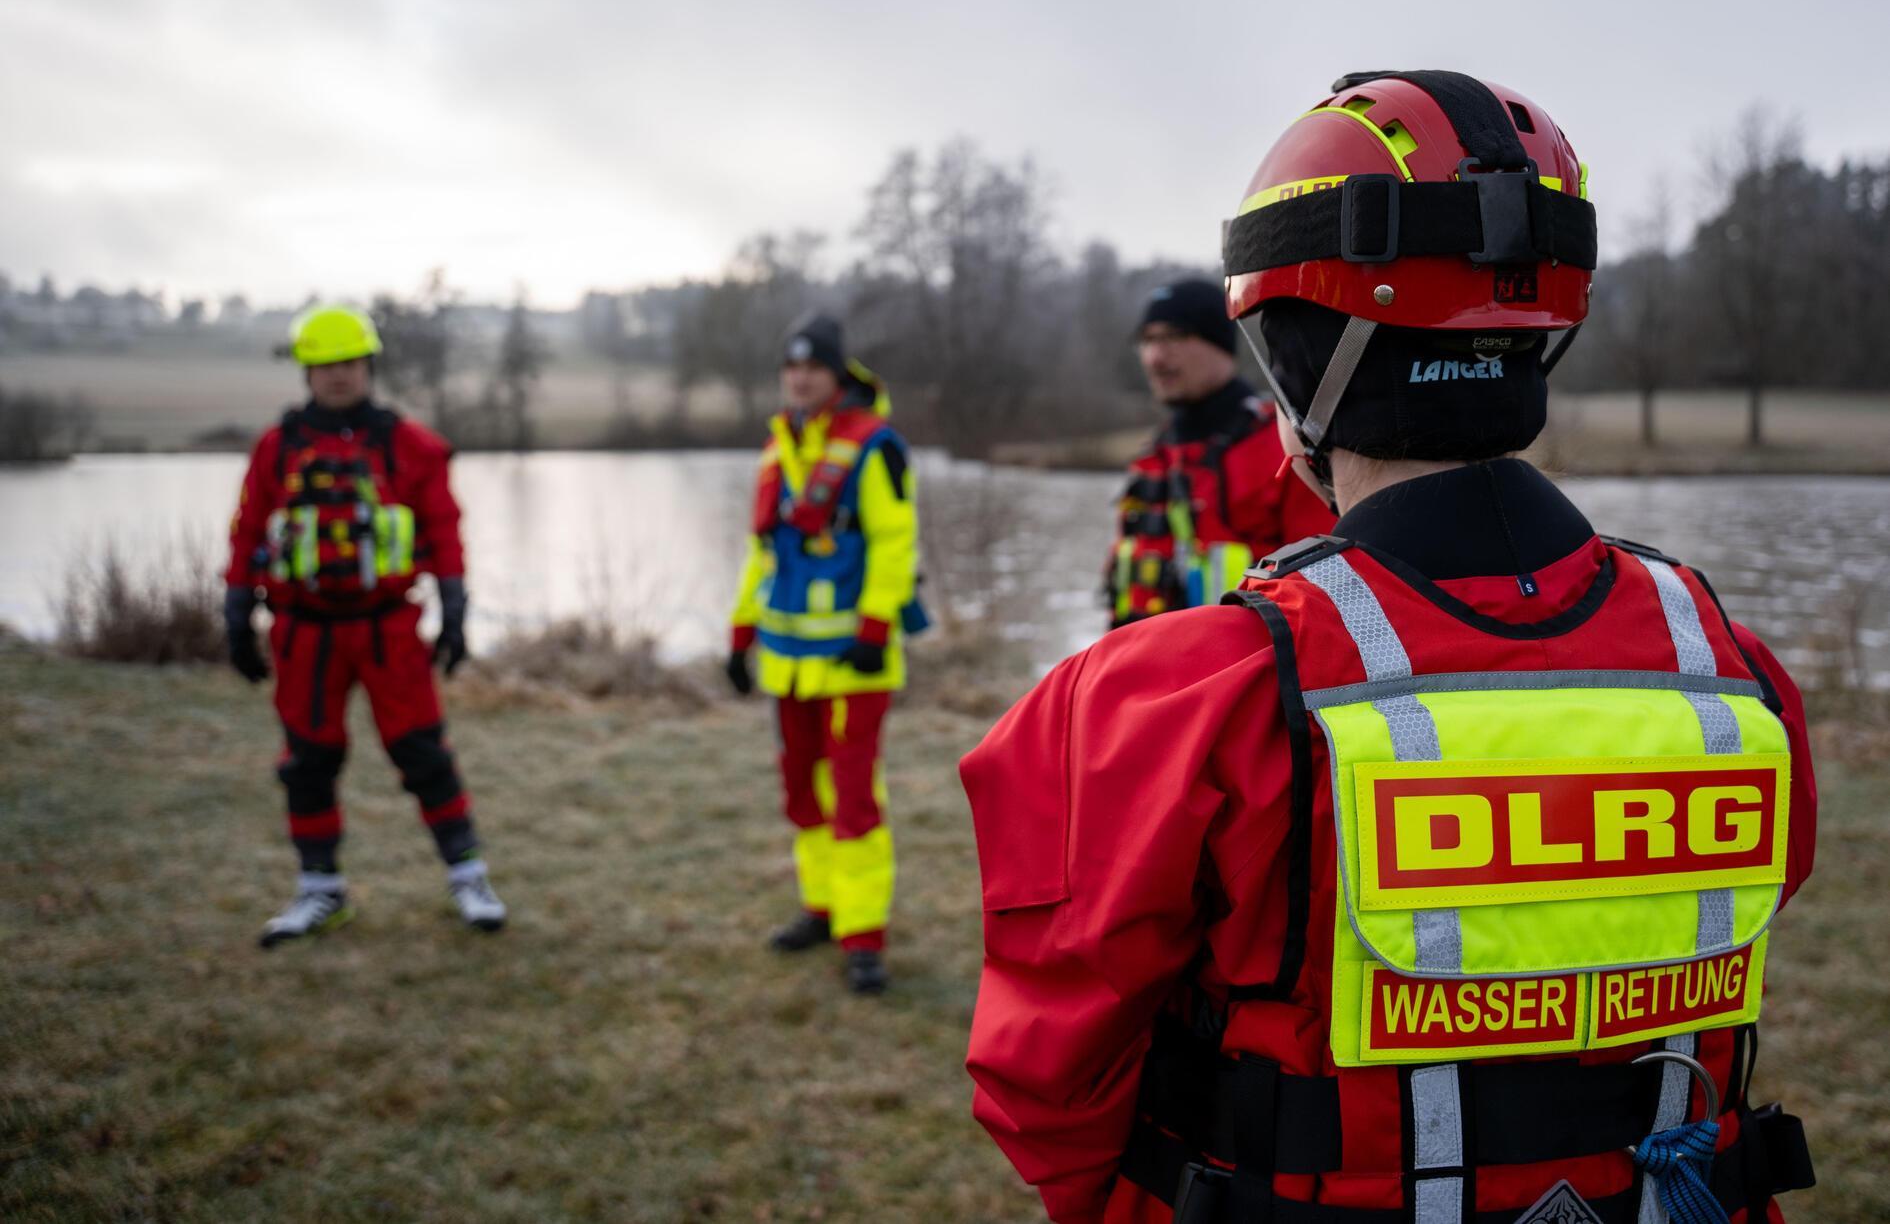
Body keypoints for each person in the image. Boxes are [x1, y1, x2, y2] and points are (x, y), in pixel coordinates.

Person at [962, 71, 1817, 1223]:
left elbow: (1045, 1081)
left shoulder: (1164, 702)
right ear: (1545, 340)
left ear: (1288, 360)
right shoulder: (1731, 672)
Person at [225, 305, 505, 947]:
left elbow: (443, 526)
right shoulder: (278, 448)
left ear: (368, 365)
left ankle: (469, 876)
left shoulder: (407, 444)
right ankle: (319, 891)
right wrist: (236, 612)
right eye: (324, 366)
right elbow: (246, 532)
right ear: (307, 372)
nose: (337, 377)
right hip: (303, 632)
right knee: (307, 759)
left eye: (348, 363)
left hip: (387, 630)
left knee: (423, 752)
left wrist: (456, 607)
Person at [727, 313, 924, 996]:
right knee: (801, 792)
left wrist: (873, 630)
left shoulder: (877, 447)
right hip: (785, 662)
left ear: (839, 377)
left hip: (853, 662)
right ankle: (823, 907)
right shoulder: (777, 448)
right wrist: (740, 632)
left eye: (814, 367)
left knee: (853, 797)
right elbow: (762, 553)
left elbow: (896, 542)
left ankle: (863, 935)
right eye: (792, 367)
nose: (801, 377)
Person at [1107, 278, 1333, 628]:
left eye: (1174, 337)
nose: (1155, 356)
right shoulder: (1155, 455)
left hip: (1239, 674)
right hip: (1140, 667)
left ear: (1220, 345)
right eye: (1147, 340)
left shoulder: (1283, 445)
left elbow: (1323, 595)